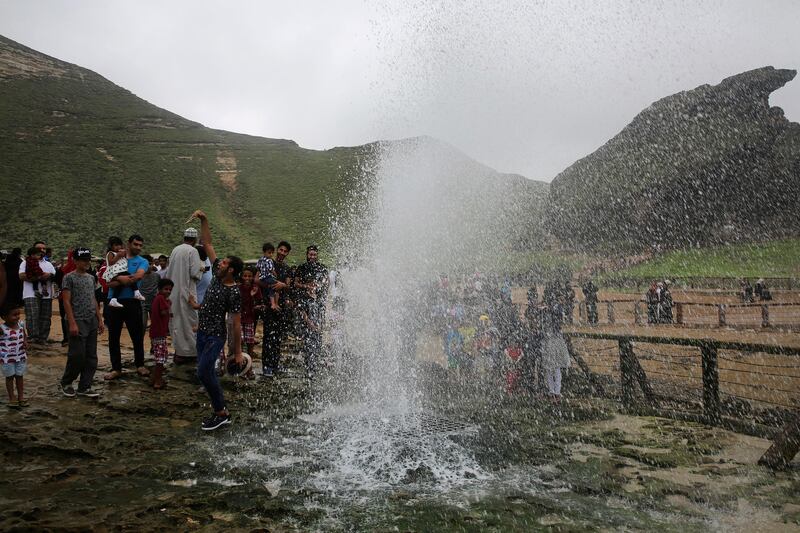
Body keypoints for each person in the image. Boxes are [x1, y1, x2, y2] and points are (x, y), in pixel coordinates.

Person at [190, 209, 244, 431]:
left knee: (203, 371)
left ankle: (221, 412)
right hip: (202, 332)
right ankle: (219, 409)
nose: (218, 263)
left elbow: (236, 323)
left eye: (223, 264)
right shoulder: (217, 276)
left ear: (231, 270)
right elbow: (208, 244)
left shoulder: (234, 292)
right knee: (204, 372)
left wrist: (237, 351)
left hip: (215, 336)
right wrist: (205, 219)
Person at [60, 247, 104, 398]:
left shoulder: (91, 278)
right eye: (83, 260)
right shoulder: (69, 277)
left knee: (91, 356)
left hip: (91, 319)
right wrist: (72, 322)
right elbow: (66, 301)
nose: (87, 263)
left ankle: (84, 386)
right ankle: (66, 382)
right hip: (77, 320)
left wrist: (99, 319)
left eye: (88, 260)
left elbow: (94, 299)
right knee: (77, 355)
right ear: (75, 260)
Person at [104, 235, 150, 380]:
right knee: (113, 336)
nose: (138, 247)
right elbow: (108, 283)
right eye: (135, 244)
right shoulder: (113, 258)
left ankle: (140, 364)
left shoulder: (143, 261)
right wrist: (120, 279)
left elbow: (139, 276)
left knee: (137, 335)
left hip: (132, 301)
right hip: (113, 301)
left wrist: (119, 279)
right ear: (128, 244)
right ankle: (116, 368)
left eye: (140, 245)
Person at [166, 228, 205, 364]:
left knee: (176, 322)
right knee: (190, 322)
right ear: (194, 240)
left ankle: (178, 351)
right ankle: (189, 353)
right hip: (188, 292)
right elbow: (195, 273)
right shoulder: (193, 251)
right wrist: (201, 266)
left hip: (173, 292)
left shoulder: (175, 250)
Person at [294, 245, 329, 377]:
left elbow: (327, 282)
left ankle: (314, 365)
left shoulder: (322, 268)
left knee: (318, 335)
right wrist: (306, 286)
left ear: (317, 255)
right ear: (307, 255)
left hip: (319, 304)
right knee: (307, 336)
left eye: (314, 254)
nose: (312, 257)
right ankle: (308, 366)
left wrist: (318, 287)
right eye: (310, 254)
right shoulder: (302, 268)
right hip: (305, 303)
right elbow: (295, 283)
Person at [260, 241, 292, 377]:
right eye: (281, 250)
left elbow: (289, 285)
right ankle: (267, 366)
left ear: (287, 253)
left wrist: (282, 285)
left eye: (285, 251)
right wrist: (272, 284)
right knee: (268, 336)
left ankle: (275, 364)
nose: (282, 253)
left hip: (282, 305)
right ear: (277, 250)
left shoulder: (287, 268)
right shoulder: (268, 262)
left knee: (278, 336)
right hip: (269, 304)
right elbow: (258, 279)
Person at [18, 241, 56, 344]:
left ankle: (42, 338)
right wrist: (38, 277)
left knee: (45, 317)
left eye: (44, 248)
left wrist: (49, 276)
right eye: (40, 248)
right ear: (33, 249)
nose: (42, 250)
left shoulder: (48, 264)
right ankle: (32, 338)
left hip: (46, 294)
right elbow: (21, 276)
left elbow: (55, 276)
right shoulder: (25, 262)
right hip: (30, 293)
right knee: (32, 316)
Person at [103, 237, 146, 308]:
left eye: (119, 245)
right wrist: (118, 256)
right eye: (116, 245)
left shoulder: (120, 253)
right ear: (111, 246)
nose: (118, 247)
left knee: (119, 286)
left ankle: (114, 299)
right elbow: (111, 263)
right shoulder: (111, 253)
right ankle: (136, 292)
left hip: (119, 271)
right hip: (114, 272)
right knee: (130, 276)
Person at [1, 302, 27, 408]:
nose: (17, 317)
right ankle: (12, 397)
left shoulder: (21, 324)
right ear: (4, 317)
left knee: (20, 376)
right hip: (7, 359)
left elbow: (24, 335)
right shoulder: (1, 328)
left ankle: (21, 397)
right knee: (10, 377)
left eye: (18, 314)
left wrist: (25, 342)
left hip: (20, 356)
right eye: (14, 315)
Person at [149, 278, 173, 390]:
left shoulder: (158, 298)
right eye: (166, 289)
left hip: (156, 332)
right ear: (160, 289)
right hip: (159, 333)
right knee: (160, 359)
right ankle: (158, 381)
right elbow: (163, 312)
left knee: (159, 357)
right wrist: (169, 305)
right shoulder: (161, 299)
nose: (168, 291)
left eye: (170, 289)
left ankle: (154, 378)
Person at [238, 267, 262, 358]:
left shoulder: (256, 288)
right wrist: (250, 295)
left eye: (249, 276)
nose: (247, 278)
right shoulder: (238, 288)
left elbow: (258, 302)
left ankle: (249, 361)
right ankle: (239, 359)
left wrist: (257, 304)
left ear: (253, 277)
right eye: (245, 276)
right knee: (240, 340)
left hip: (250, 318)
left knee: (250, 341)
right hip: (239, 318)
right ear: (241, 277)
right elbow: (239, 303)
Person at [256, 242, 279, 311]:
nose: (271, 254)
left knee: (270, 288)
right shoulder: (269, 260)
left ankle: (273, 303)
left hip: (262, 278)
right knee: (277, 286)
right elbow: (271, 269)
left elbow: (257, 267)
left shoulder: (260, 260)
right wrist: (275, 275)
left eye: (272, 253)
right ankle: (274, 303)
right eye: (269, 253)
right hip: (268, 277)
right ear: (264, 252)